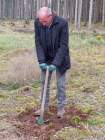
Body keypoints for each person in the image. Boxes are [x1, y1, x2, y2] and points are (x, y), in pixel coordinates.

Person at [34, 7, 71, 118]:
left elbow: (63, 45)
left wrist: (55, 63)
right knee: (44, 83)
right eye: (41, 21)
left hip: (60, 59)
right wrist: (41, 60)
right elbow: (38, 42)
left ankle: (61, 108)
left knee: (60, 84)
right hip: (46, 58)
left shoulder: (62, 23)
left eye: (44, 21)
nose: (42, 24)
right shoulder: (38, 22)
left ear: (51, 16)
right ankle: (43, 107)